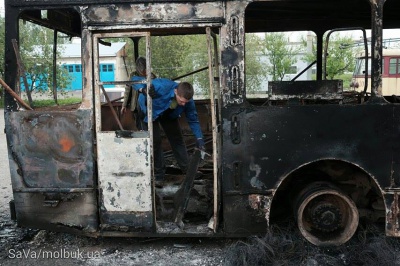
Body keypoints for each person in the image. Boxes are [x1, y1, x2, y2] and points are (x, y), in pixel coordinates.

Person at [136, 79, 205, 181]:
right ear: (175, 91)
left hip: (169, 113)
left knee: (177, 139)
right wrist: (143, 90)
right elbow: (135, 80)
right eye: (181, 101)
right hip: (149, 112)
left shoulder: (188, 102)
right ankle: (158, 175)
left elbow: (193, 120)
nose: (183, 104)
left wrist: (199, 138)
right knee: (155, 142)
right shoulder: (161, 85)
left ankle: (188, 171)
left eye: (185, 102)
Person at [121, 57, 155, 130]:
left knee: (148, 125)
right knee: (139, 125)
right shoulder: (133, 75)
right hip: (136, 105)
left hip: (148, 105)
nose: (143, 72)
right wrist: (124, 105)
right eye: (142, 69)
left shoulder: (151, 76)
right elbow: (128, 90)